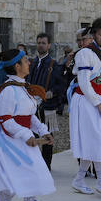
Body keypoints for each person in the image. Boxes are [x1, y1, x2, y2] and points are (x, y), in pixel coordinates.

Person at [0, 49, 55, 201]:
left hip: (20, 136)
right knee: (15, 175)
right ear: (17, 66)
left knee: (30, 172)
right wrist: (26, 135)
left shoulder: (22, 88)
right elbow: (6, 119)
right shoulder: (8, 91)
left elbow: (29, 115)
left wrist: (42, 130)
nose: (29, 62)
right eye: (25, 60)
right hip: (7, 139)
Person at [68, 18, 101, 198]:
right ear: (93, 35)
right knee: (96, 139)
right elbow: (84, 83)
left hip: (100, 99)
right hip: (85, 101)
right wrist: (100, 106)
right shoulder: (84, 54)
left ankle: (79, 179)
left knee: (97, 139)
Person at [26, 32, 65, 168]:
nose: (41, 45)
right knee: (32, 134)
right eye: (39, 42)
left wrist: (52, 92)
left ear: (49, 45)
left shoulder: (54, 64)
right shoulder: (32, 63)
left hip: (47, 106)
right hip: (32, 105)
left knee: (47, 136)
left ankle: (46, 165)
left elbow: (61, 85)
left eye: (43, 43)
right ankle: (35, 163)